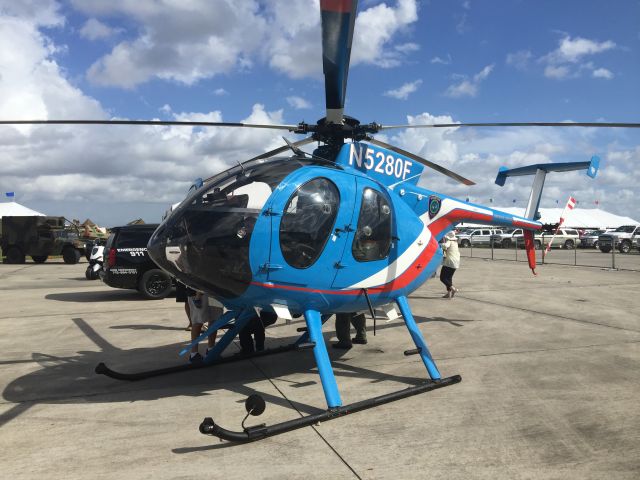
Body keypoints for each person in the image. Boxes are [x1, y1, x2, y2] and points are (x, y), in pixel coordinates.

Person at [188, 291, 223, 363]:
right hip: (198, 292)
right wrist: (198, 295)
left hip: (214, 292)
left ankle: (211, 349)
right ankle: (193, 354)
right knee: (197, 322)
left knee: (214, 319)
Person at [440, 230, 460, 298]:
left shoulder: (449, 241)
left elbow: (445, 246)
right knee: (449, 278)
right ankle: (449, 293)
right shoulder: (455, 243)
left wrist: (441, 244)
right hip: (456, 262)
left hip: (449, 262)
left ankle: (453, 289)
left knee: (442, 278)